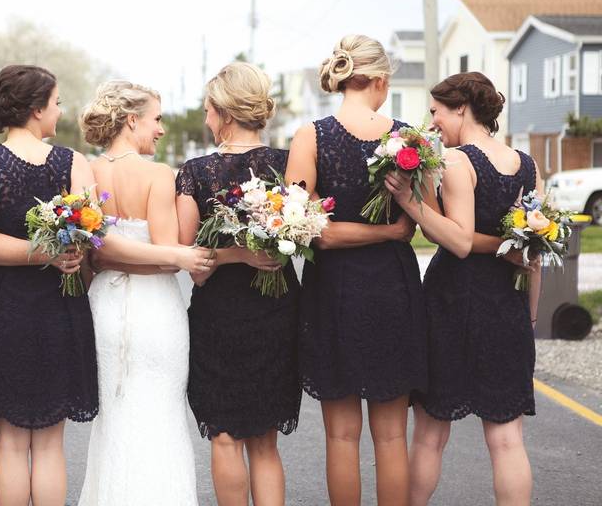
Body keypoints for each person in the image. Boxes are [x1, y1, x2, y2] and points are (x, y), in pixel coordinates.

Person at [0, 65, 210, 506]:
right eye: (56, 103)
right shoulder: (71, 163)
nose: (60, 112)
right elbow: (91, 236)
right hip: (61, 303)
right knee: (50, 444)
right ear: (37, 108)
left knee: (11, 445)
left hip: (3, 305)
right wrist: (58, 255)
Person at [286, 35, 425, 506]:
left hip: (333, 290)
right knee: (391, 437)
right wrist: (388, 233)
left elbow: (306, 230)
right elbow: (421, 219)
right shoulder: (408, 139)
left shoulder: (310, 136)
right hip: (392, 284)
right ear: (381, 81)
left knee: (341, 436)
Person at [389, 72, 541, 506]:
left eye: (436, 112)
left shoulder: (458, 161)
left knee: (430, 436)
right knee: (508, 441)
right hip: (507, 305)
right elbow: (533, 251)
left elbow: (458, 240)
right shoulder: (526, 165)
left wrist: (410, 202)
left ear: (461, 108)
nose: (432, 122)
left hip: (454, 303)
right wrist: (529, 314)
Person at [176, 62, 302, 506]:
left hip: (220, 315)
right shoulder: (288, 166)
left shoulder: (195, 173)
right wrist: (252, 253)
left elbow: (192, 261)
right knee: (266, 442)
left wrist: (230, 255)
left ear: (225, 113)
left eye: (209, 110)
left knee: (226, 437)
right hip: (277, 310)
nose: (207, 118)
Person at [76, 81, 204, 506]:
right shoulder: (157, 175)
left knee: (114, 418)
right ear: (132, 120)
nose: (161, 129)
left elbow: (92, 252)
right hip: (155, 308)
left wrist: (109, 259)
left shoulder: (86, 172)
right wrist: (177, 256)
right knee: (161, 416)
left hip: (105, 305)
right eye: (157, 119)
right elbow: (169, 258)